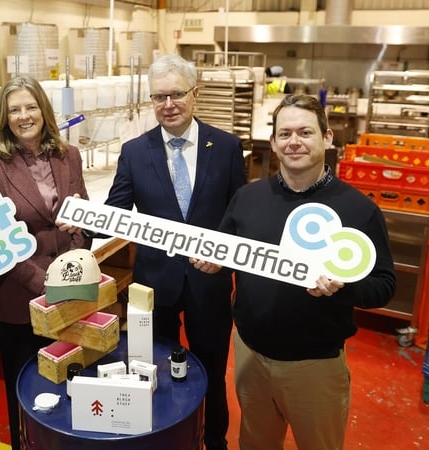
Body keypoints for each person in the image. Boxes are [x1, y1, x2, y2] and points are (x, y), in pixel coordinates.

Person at [215, 94, 396, 450]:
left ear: (327, 139)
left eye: (305, 132)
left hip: (314, 364)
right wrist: (211, 262)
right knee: (255, 443)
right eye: (285, 134)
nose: (294, 142)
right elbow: (224, 251)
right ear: (273, 142)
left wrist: (345, 287)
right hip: (251, 354)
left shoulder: (358, 209)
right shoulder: (248, 198)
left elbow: (384, 285)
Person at [103, 53, 247, 450]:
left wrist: (224, 256)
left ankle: (213, 439)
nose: (168, 105)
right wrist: (77, 220)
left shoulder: (228, 147)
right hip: (155, 287)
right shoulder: (135, 152)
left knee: (212, 371)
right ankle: (164, 438)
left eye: (176, 95)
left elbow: (240, 216)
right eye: (158, 97)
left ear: (195, 94)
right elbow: (116, 210)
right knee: (156, 370)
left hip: (211, 283)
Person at [0, 75, 91, 449]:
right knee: (26, 391)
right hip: (20, 297)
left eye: (31, 106)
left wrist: (75, 255)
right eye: (15, 109)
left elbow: (82, 215)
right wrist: (45, 286)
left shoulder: (68, 155)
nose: (24, 116)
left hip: (72, 289)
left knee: (71, 380)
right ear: (3, 117)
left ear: (44, 109)